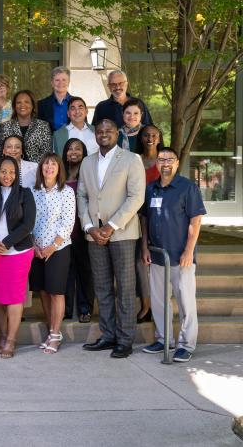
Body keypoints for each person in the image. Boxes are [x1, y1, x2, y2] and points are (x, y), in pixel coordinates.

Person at [77, 119, 146, 358]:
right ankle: (108, 335)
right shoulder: (87, 162)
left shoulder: (131, 159)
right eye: (99, 131)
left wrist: (111, 226)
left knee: (125, 288)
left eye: (108, 131)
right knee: (102, 287)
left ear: (117, 134)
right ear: (95, 135)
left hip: (122, 233)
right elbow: (82, 196)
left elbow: (136, 197)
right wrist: (89, 227)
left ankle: (125, 340)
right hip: (94, 235)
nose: (103, 134)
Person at [141, 147, 206, 363]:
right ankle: (164, 339)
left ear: (177, 163)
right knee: (159, 302)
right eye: (161, 159)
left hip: (181, 257)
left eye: (170, 159)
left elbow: (196, 220)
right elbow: (144, 219)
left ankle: (186, 345)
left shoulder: (188, 188)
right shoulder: (151, 189)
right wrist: (144, 247)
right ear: (157, 164)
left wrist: (189, 250)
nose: (165, 163)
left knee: (186, 302)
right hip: (157, 256)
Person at [0, 157, 36, 359]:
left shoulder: (25, 194)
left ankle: (11, 340)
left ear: (17, 174)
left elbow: (28, 224)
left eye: (12, 172)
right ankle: (2, 336)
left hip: (17, 253)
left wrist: (6, 242)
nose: (7, 176)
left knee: (14, 297)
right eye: (3, 171)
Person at [30, 153, 76, 354]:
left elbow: (68, 222)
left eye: (53, 164)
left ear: (59, 169)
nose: (49, 167)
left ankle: (56, 335)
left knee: (56, 292)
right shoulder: (33, 191)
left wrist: (53, 246)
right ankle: (51, 331)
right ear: (41, 167)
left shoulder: (66, 192)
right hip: (37, 249)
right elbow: (28, 220)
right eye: (46, 164)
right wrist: (33, 245)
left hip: (58, 248)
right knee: (43, 290)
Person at [133, 124, 163, 323]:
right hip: (136, 217)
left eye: (154, 135)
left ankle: (159, 305)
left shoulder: (163, 161)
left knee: (158, 264)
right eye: (146, 135)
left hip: (158, 218)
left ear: (159, 139)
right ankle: (146, 307)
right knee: (140, 262)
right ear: (141, 138)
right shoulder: (134, 160)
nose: (150, 138)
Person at [62, 138, 94, 323]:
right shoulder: (59, 174)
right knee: (66, 272)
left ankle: (85, 308)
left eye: (78, 149)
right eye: (70, 148)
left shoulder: (89, 173)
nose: (73, 152)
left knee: (84, 272)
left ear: (84, 153)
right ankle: (66, 309)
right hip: (63, 233)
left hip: (83, 230)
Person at [0, 90, 52, 163]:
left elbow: (46, 154)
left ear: (33, 105)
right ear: (14, 106)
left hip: (36, 169)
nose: (22, 105)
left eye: (26, 102)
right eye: (19, 102)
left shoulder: (43, 126)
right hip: (10, 168)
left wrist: (31, 167)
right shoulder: (5, 126)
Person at [37, 66, 72, 132]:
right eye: (57, 80)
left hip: (73, 138)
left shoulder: (77, 103)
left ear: (69, 82)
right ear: (52, 83)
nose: (61, 83)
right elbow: (39, 130)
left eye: (64, 80)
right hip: (50, 138)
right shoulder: (41, 105)